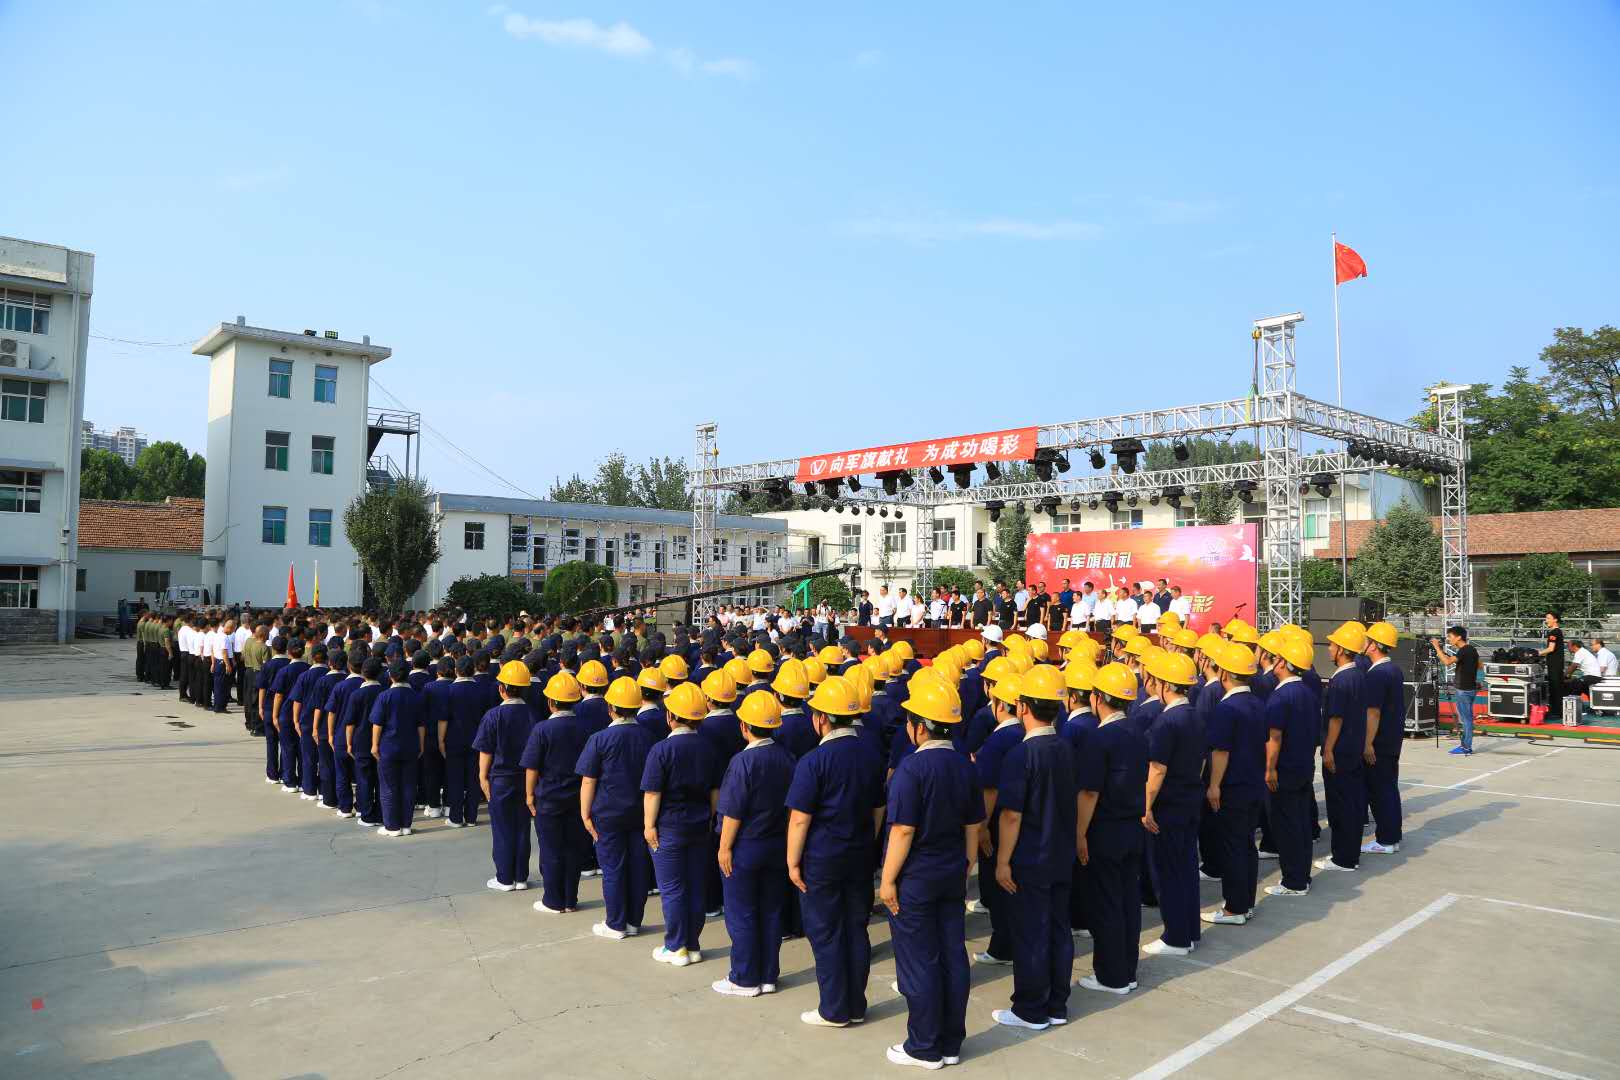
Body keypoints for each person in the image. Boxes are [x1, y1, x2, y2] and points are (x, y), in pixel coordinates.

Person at [879, 669, 981, 1068]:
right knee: (952, 954)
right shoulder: (964, 765)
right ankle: (951, 1042)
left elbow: (903, 830)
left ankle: (923, 1046)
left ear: (919, 726)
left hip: (917, 876)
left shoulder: (912, 769)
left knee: (919, 960)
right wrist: (967, 863)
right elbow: (973, 824)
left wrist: (888, 879)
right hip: (952, 870)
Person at [787, 674, 886, 1028]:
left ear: (822, 719)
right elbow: (878, 808)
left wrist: (792, 861)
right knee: (856, 927)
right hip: (859, 853)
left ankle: (834, 1008)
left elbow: (800, 819)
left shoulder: (814, 761)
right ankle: (856, 1004)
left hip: (823, 857)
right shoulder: (871, 754)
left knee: (827, 931)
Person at [989, 665, 1078, 1032]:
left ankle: (1030, 1008)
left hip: (1031, 856)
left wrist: (1002, 861)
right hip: (1060, 853)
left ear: (1023, 706)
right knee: (1058, 929)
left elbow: (1011, 815)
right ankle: (1057, 1003)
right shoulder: (1066, 747)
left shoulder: (1022, 754)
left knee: (1031, 934)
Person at [712, 691, 795, 998]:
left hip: (745, 846)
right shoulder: (787, 757)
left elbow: (733, 811)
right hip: (776, 843)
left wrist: (724, 847)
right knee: (771, 911)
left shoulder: (743, 761)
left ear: (744, 726)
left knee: (742, 913)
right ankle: (769, 975)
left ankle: (745, 977)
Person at [1076, 662, 1147, 995]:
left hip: (1106, 830)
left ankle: (1111, 976)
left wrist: (1079, 833)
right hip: (1132, 827)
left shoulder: (1100, 738)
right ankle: (1127, 970)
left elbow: (1089, 792)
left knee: (1106, 904)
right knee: (1128, 901)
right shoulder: (1137, 732)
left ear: (1098, 697)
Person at [641, 681, 721, 968]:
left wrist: (649, 825)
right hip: (699, 825)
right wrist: (709, 816)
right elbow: (715, 791)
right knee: (696, 886)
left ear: (671, 716)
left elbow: (653, 793)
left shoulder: (662, 750)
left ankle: (676, 946)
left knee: (673, 889)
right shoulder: (708, 748)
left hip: (669, 827)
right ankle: (693, 944)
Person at [578, 676, 657, 940]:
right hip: (639, 813)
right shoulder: (649, 737)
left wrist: (585, 813)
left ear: (610, 707)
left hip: (608, 813)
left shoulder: (600, 739)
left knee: (613, 868)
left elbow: (588, 779)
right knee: (638, 867)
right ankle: (633, 921)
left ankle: (615, 923)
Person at [1141, 650, 1204, 955]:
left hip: (1169, 805)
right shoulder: (1195, 715)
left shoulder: (1167, 721)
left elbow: (1157, 769)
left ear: (1166, 685)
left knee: (1168, 871)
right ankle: (1189, 931)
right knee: (1187, 868)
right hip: (1190, 799)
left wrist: (1146, 806)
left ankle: (1176, 937)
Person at [1201, 642, 1267, 926]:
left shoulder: (1227, 708)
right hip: (1252, 783)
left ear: (1224, 673)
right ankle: (1245, 903)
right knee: (1247, 845)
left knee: (1233, 847)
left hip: (1233, 786)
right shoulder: (1257, 703)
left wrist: (1214, 785)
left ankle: (1234, 908)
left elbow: (1220, 751)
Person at [523, 672, 591, 914]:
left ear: (551, 701)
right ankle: (570, 899)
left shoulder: (542, 729)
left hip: (549, 798)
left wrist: (529, 795)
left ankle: (553, 900)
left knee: (551, 850)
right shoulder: (585, 728)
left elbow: (532, 766)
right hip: (576, 798)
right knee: (573, 849)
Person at [474, 660, 538, 892]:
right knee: (522, 827)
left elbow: (486, 750)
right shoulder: (532, 715)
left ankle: (504, 877)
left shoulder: (493, 716)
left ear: (501, 688)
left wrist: (482, 777)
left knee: (502, 829)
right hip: (525, 778)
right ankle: (521, 876)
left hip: (500, 778)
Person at [1318, 622, 1369, 874]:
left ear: (1341, 649)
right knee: (1351, 802)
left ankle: (1343, 858)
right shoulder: (1358, 675)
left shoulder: (1341, 680)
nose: (1329, 648)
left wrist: (1328, 749)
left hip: (1340, 750)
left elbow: (1335, 719)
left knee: (1340, 805)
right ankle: (1349, 854)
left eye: (1332, 644)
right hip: (1353, 748)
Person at [1361, 622, 1405, 855]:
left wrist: (1367, 742)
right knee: (1388, 788)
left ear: (1374, 645)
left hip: (1379, 741)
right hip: (1391, 739)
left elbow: (1373, 712)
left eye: (1367, 639)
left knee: (1380, 791)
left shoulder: (1377, 674)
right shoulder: (1393, 670)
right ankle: (1391, 837)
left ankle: (1386, 840)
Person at [370, 660, 425, 837]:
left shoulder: (384, 696)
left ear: (390, 676)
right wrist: (421, 744)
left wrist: (374, 745)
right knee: (409, 785)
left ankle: (392, 826)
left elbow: (377, 724)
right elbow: (421, 725)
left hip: (388, 746)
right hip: (411, 745)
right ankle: (406, 825)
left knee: (388, 786)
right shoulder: (416, 696)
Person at [1429, 625, 1479, 755]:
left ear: (1459, 637)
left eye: (1450, 636)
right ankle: (1465, 745)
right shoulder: (1471, 650)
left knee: (1466, 720)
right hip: (1470, 688)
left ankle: (1466, 747)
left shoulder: (1464, 650)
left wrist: (1436, 647)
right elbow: (1479, 665)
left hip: (1464, 690)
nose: (1449, 639)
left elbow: (1446, 662)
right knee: (1466, 718)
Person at [1540, 611, 1566, 711]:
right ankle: (1558, 709)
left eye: (1548, 618)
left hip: (1555, 664)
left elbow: (1551, 648)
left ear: (1555, 620)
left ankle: (1557, 710)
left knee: (1555, 687)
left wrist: (1537, 653)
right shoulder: (1558, 632)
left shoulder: (1554, 632)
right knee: (1557, 686)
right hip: (1557, 663)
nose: (1546, 621)